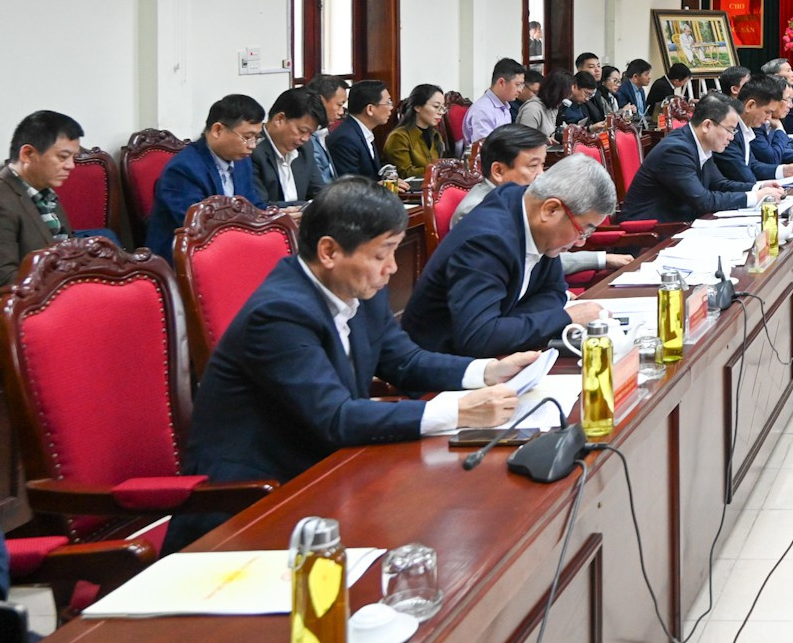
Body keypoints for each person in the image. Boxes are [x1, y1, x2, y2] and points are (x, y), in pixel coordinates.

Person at [170, 179, 536, 550]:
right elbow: (336, 417)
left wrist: (487, 371)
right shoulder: (280, 313)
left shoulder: (357, 289)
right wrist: (458, 411)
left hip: (327, 473)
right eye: (381, 255)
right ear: (329, 251)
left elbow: (405, 361)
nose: (392, 268)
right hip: (250, 507)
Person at [401, 157, 614, 357]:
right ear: (550, 209)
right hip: (444, 367)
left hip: (499, 356)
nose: (581, 242)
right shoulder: (487, 240)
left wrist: (509, 326)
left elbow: (554, 291)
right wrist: (566, 318)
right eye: (583, 231)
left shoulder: (533, 213)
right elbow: (479, 337)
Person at [619, 94, 785, 224]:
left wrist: (758, 187)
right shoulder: (676, 151)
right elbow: (703, 200)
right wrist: (756, 197)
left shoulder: (699, 143)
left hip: (679, 225)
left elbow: (720, 184)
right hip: (650, 235)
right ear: (707, 125)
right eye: (729, 130)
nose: (732, 137)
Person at [146, 95, 267, 261]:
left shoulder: (241, 161)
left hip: (231, 246)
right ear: (218, 130)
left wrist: (274, 216)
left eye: (256, 138)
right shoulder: (183, 169)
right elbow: (200, 226)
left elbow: (252, 205)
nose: (252, 145)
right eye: (247, 137)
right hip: (185, 257)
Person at [0, 110, 84, 285]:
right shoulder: (2, 200)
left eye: (73, 157)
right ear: (27, 154)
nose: (71, 166)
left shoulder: (45, 193)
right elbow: (4, 279)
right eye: (63, 157)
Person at [449, 124, 548, 230]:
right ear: (498, 171)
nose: (541, 174)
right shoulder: (477, 211)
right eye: (533, 166)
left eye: (542, 164)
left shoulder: (516, 197)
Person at [719, 76, 793, 183]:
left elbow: (752, 165)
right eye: (767, 112)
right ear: (750, 105)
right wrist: (762, 188)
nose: (769, 118)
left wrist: (784, 170)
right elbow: (746, 178)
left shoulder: (745, 127)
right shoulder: (729, 132)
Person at [251, 88, 326, 205]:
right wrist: (304, 207)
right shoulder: (252, 150)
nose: (305, 139)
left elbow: (321, 193)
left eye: (310, 134)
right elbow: (259, 206)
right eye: (302, 131)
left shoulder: (305, 148)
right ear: (279, 119)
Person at [382, 84, 449, 179]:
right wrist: (439, 169)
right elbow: (405, 173)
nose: (441, 112)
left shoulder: (435, 135)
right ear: (417, 107)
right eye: (436, 106)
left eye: (443, 108)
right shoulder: (399, 137)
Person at [328, 79, 390, 180]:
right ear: (370, 109)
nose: (391, 107)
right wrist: (381, 185)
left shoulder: (362, 131)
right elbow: (349, 184)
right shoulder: (345, 139)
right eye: (388, 102)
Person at [463, 58, 526, 153]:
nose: (520, 90)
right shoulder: (483, 110)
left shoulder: (505, 106)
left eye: (522, 85)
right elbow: (485, 149)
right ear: (501, 83)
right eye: (518, 85)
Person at [302, 74, 348, 189]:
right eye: (339, 105)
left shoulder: (322, 132)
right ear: (321, 101)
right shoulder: (306, 138)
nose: (341, 112)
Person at [515, 70, 556, 139]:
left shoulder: (537, 105)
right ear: (522, 86)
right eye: (534, 92)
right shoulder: (511, 106)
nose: (536, 96)